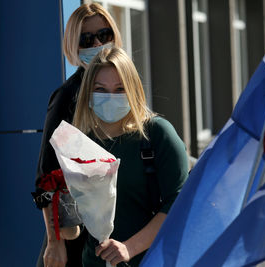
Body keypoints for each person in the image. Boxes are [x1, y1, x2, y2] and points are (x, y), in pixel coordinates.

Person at [72, 47, 189, 267]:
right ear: (88, 93)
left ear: (134, 91)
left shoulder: (157, 134)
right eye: (100, 89)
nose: (110, 97)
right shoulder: (80, 142)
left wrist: (129, 247)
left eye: (120, 89)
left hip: (150, 261)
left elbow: (180, 202)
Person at [33, 3, 123, 267]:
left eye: (104, 34)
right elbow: (44, 178)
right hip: (76, 244)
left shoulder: (125, 90)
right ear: (74, 47)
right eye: (86, 39)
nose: (97, 43)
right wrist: (54, 242)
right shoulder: (68, 98)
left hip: (119, 240)